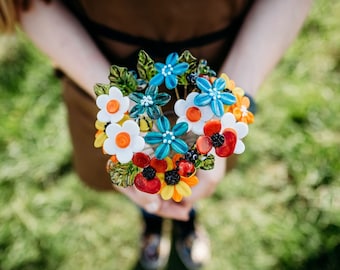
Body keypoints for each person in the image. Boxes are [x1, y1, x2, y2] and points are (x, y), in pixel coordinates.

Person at [0, 0, 312, 269]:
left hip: (217, 76)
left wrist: (229, 101)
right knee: (142, 178)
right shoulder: (114, 110)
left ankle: (187, 221)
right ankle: (150, 221)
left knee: (188, 176)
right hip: (96, 70)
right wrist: (116, 103)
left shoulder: (215, 110)